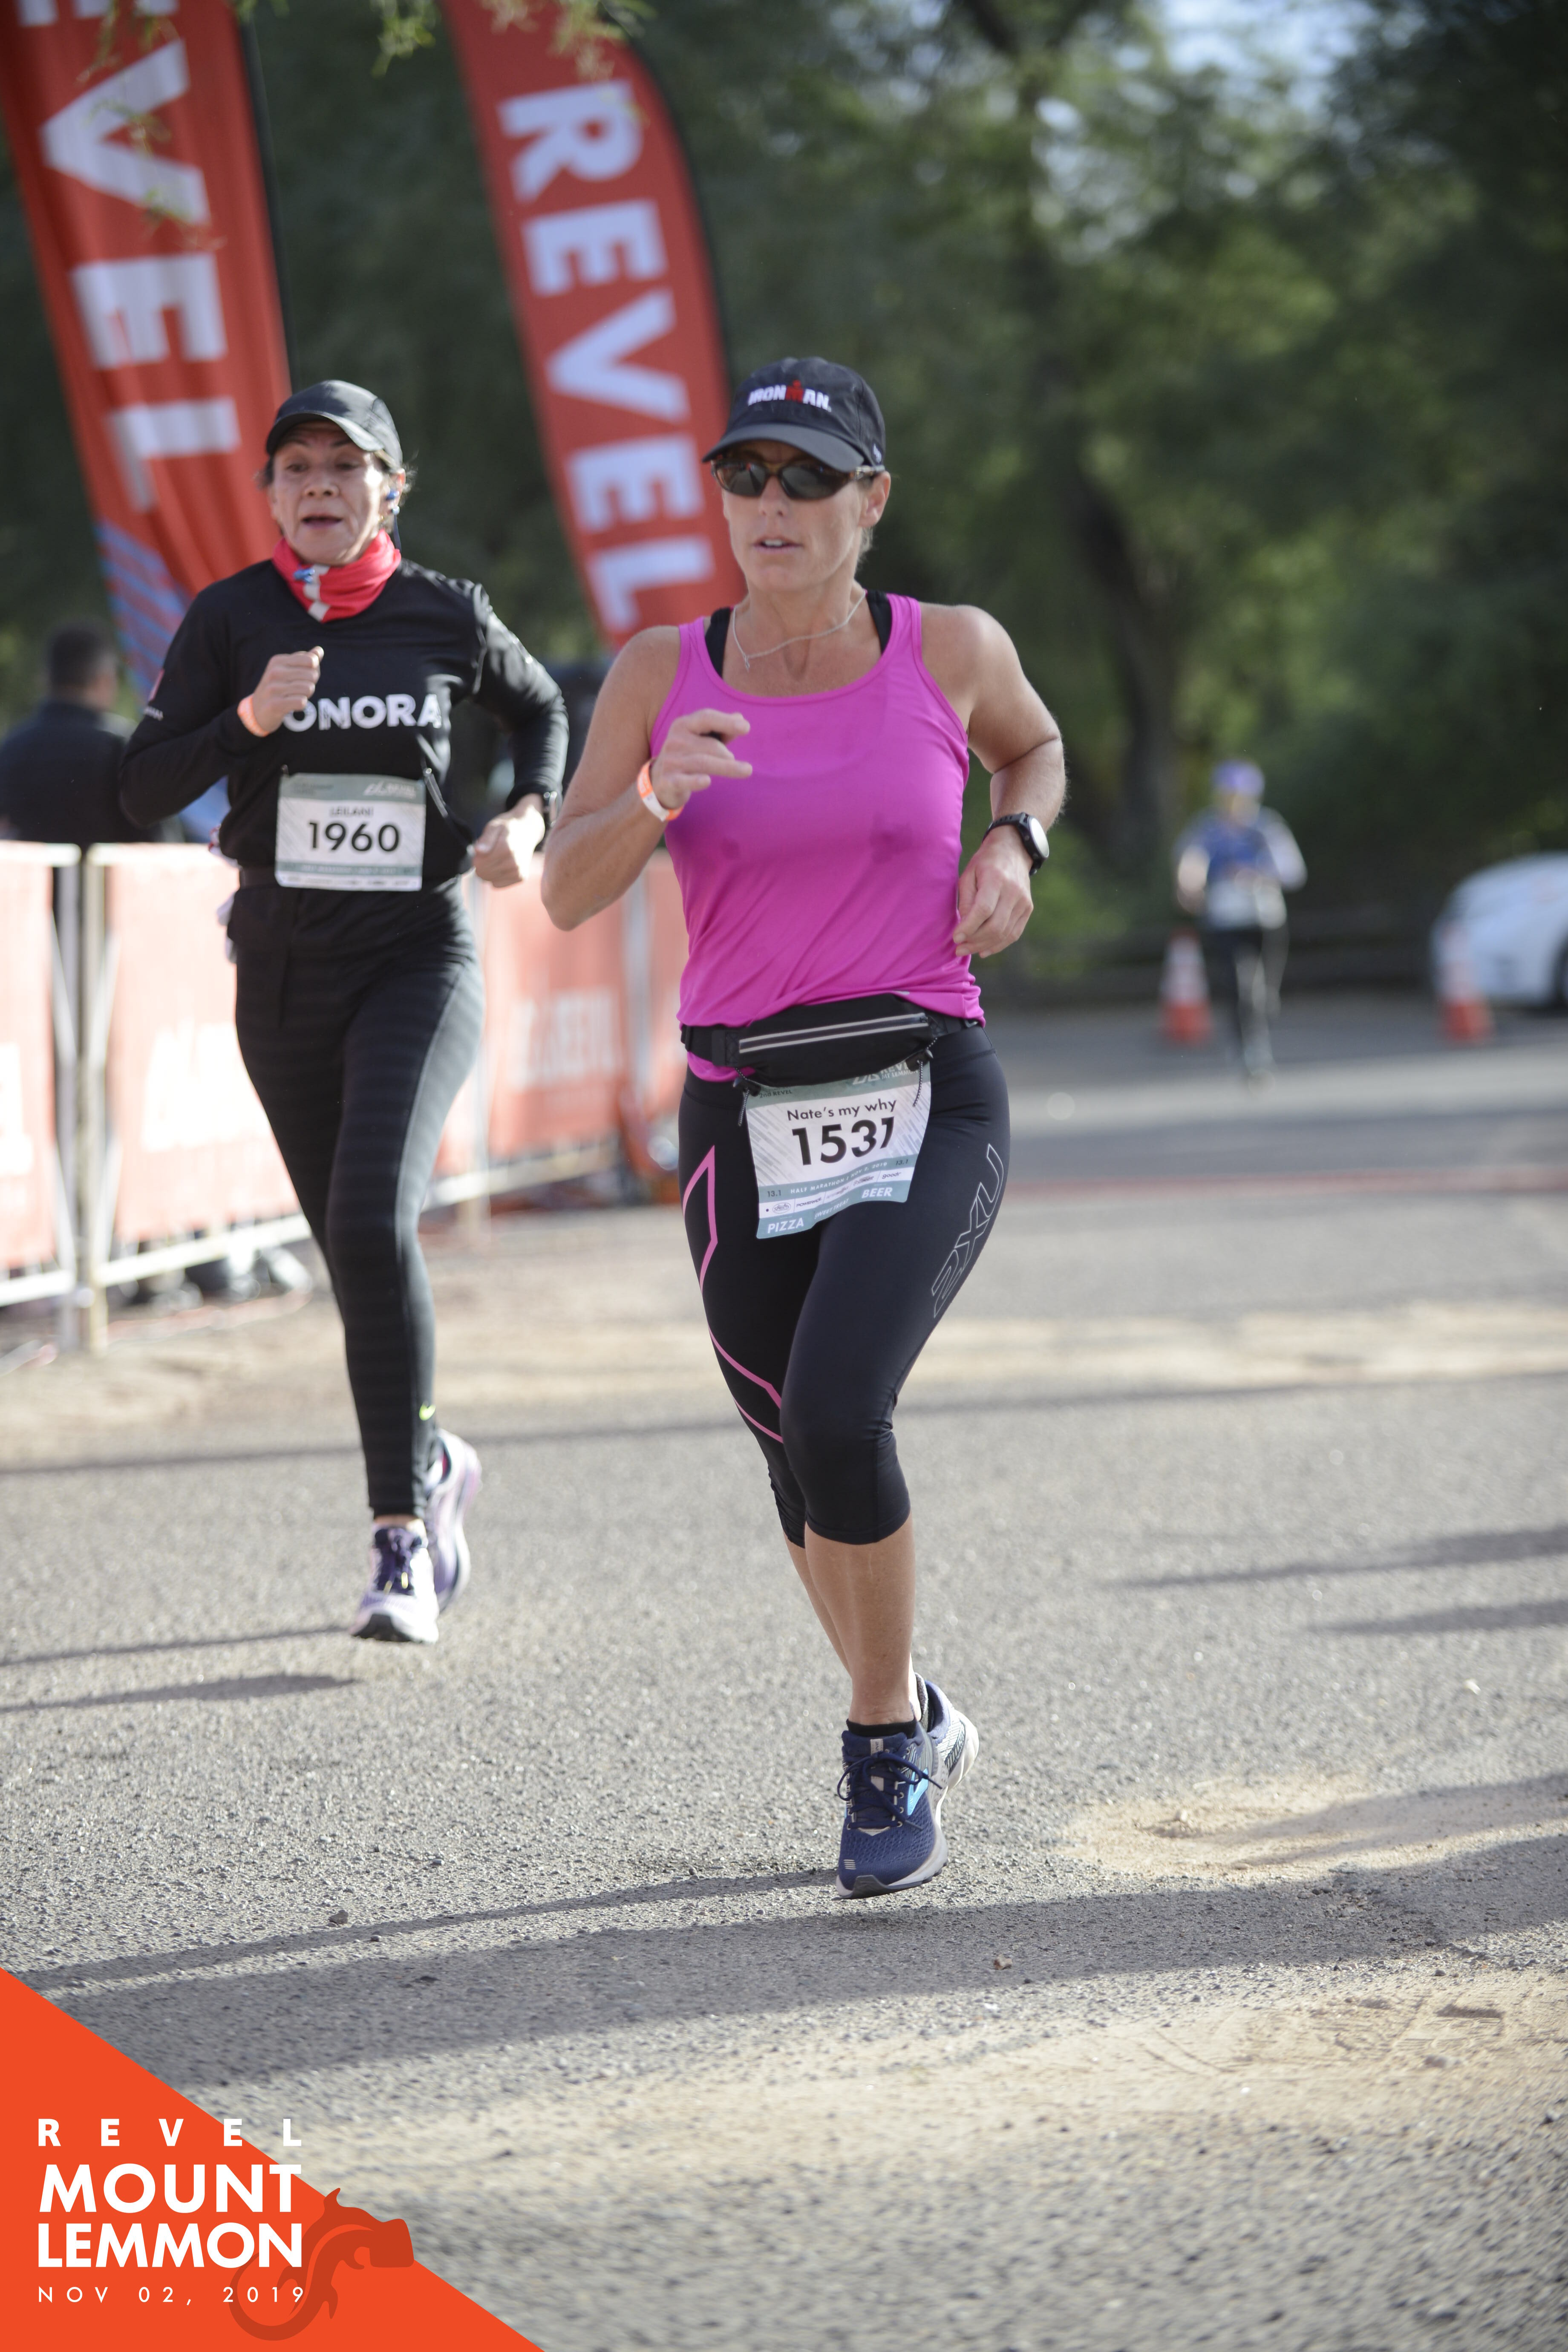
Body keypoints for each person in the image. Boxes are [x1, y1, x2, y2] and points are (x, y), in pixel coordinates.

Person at [543, 357, 1064, 1897]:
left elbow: (1032, 748)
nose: (769, 503)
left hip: (922, 1081)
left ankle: (878, 1739)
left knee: (840, 1408)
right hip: (739, 1105)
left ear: (869, 499)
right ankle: (913, 1699)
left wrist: (1014, 841)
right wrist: (651, 792)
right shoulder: (658, 669)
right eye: (745, 475)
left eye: (806, 477)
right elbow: (566, 887)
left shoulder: (949, 647)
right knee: (789, 1446)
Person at [120, 380, 567, 1643]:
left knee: (374, 1217)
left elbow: (539, 707)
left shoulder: (443, 611)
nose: (320, 485)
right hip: (280, 967)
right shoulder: (229, 618)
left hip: (416, 952)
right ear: (271, 494)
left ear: (390, 488)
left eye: (346, 465)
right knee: (351, 1252)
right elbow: (138, 784)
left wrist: (527, 812)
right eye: (297, 467)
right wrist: (246, 718)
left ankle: (398, 1537)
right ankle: (434, 1460)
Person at [1173, 758, 1306, 1078]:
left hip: (1265, 918)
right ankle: (1249, 1049)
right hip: (1226, 919)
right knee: (1238, 986)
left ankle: (1258, 1038)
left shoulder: (1266, 827)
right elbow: (1192, 861)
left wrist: (1256, 874)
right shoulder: (1208, 828)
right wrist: (1189, 884)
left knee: (1265, 994)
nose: (1233, 803)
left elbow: (1292, 870)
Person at [0, 621, 170, 849]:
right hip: (110, 873)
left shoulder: (10, 750)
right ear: (104, 680)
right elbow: (160, 847)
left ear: (45, 678)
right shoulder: (123, 748)